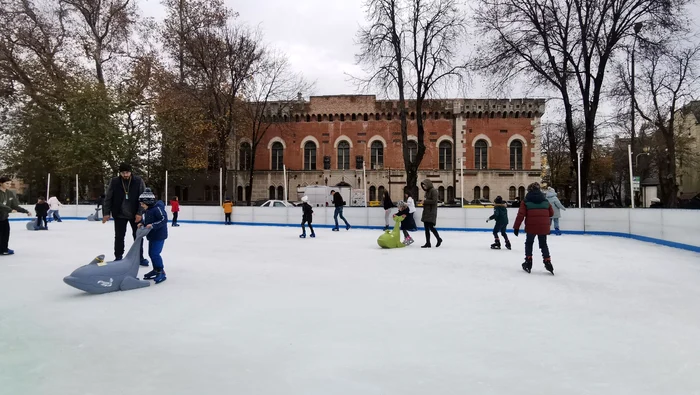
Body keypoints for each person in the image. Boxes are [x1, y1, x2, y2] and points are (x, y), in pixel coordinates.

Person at [102, 163, 148, 265]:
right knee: (119, 236)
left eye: (127, 172)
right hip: (119, 214)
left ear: (131, 172)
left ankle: (139, 257)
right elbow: (108, 198)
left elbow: (143, 198)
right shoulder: (114, 182)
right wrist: (106, 213)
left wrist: (140, 213)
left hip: (135, 214)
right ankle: (118, 257)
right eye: (123, 173)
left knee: (138, 236)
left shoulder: (138, 181)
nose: (125, 175)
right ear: (120, 173)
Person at [513, 182, 554, 274]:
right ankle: (547, 261)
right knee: (543, 244)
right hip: (543, 227)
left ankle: (528, 260)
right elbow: (551, 213)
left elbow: (521, 215)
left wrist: (516, 227)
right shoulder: (545, 201)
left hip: (531, 226)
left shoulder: (526, 201)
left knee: (529, 243)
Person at [138, 188, 168, 284]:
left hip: (159, 236)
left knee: (155, 254)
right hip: (151, 235)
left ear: (148, 202)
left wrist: (153, 225)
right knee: (151, 253)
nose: (141, 206)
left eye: (143, 204)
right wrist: (142, 223)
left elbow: (164, 219)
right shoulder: (146, 211)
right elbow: (146, 220)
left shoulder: (157, 209)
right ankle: (156, 270)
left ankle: (161, 271)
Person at [0, 176, 32, 255]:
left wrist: (25, 211)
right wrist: (9, 209)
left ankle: (4, 249)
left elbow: (15, 205)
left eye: (10, 184)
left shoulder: (9, 193)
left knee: (5, 234)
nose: (9, 185)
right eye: (7, 183)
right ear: (1, 183)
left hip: (3, 218)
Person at [420, 179, 442, 248]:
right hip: (426, 212)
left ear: (428, 184)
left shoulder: (433, 191)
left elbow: (434, 201)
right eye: (423, 186)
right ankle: (428, 243)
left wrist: (425, 202)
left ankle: (438, 239)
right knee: (426, 228)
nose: (424, 187)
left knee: (431, 227)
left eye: (425, 186)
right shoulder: (427, 192)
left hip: (431, 212)